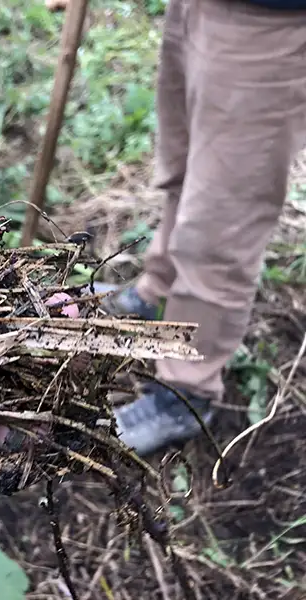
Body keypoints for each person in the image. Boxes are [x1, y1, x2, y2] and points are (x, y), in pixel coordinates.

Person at [98, 0, 306, 456]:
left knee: (222, 220)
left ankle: (186, 393)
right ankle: (157, 293)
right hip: (196, 8)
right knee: (182, 170)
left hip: (270, 20)